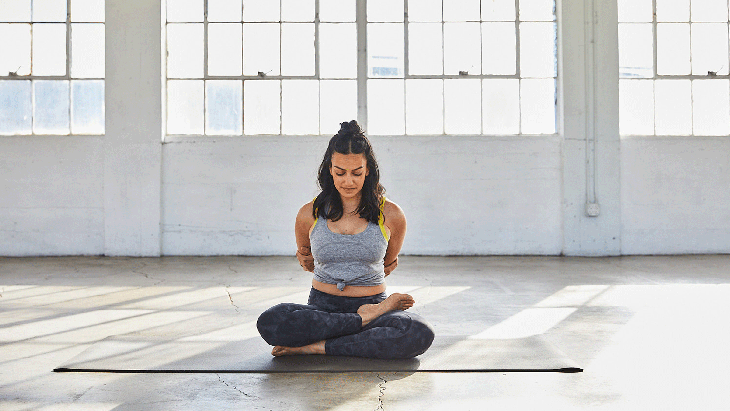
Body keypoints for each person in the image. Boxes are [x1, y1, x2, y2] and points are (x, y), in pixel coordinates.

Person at [256, 120, 435, 359]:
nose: (348, 181)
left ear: (368, 169)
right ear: (330, 169)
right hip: (323, 309)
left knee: (418, 332)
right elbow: (306, 260)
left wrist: (376, 307)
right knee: (271, 322)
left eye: (356, 173)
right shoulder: (308, 214)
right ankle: (361, 323)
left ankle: (318, 346)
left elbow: (388, 264)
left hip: (372, 301)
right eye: (340, 172)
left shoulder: (391, 214)